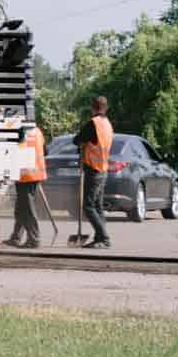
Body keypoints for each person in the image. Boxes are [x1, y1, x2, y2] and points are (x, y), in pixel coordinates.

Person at [73, 96, 115, 249]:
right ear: (105, 108)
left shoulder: (94, 123)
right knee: (97, 206)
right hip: (103, 169)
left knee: (89, 206)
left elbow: (77, 139)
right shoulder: (108, 124)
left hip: (94, 169)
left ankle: (104, 238)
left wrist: (81, 142)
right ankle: (99, 238)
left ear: (93, 108)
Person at [5, 123, 49, 248]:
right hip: (35, 172)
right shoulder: (37, 130)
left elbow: (9, 149)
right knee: (21, 208)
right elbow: (45, 151)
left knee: (27, 209)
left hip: (25, 174)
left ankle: (34, 239)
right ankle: (16, 237)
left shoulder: (18, 130)